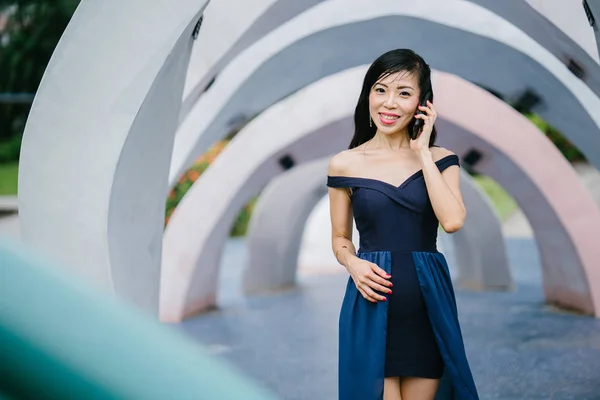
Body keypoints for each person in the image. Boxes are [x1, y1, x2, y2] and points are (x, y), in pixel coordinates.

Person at [327, 49, 479, 400]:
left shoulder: (441, 159)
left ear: (423, 104)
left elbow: (453, 221)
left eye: (404, 93)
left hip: (427, 308)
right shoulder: (344, 163)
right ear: (368, 95)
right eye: (380, 90)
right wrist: (353, 264)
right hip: (370, 302)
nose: (389, 103)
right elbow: (339, 237)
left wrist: (423, 152)